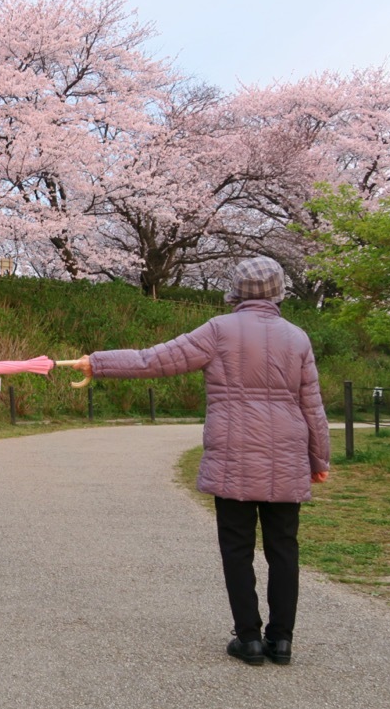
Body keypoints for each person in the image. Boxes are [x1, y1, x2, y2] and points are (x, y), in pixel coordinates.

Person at [72, 256, 330, 666]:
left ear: (236, 291)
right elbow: (311, 405)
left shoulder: (218, 331)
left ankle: (248, 639)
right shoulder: (297, 337)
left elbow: (153, 361)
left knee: (237, 548)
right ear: (279, 291)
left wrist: (98, 362)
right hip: (286, 455)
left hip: (232, 454)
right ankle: (281, 641)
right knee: (284, 549)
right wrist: (319, 458)